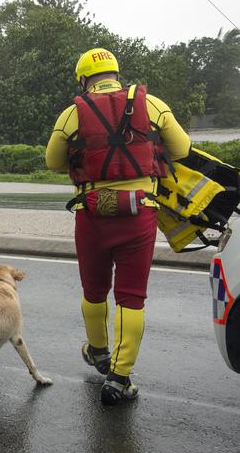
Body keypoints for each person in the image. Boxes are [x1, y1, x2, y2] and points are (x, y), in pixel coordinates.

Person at [45, 47, 191, 405]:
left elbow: (52, 162)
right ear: (116, 73)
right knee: (131, 297)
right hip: (139, 213)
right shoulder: (153, 105)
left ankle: (97, 351)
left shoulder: (71, 114)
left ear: (83, 79)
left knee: (94, 290)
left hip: (92, 214)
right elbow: (183, 149)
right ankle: (120, 377)